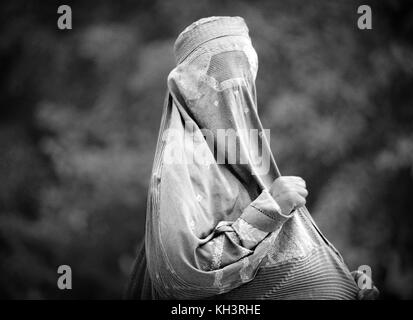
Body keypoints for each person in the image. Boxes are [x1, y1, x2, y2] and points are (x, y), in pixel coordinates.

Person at [126, 16, 378, 300]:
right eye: (218, 81)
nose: (234, 94)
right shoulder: (180, 167)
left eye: (242, 79)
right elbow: (180, 277)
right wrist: (269, 209)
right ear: (188, 91)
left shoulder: (250, 160)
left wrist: (344, 282)